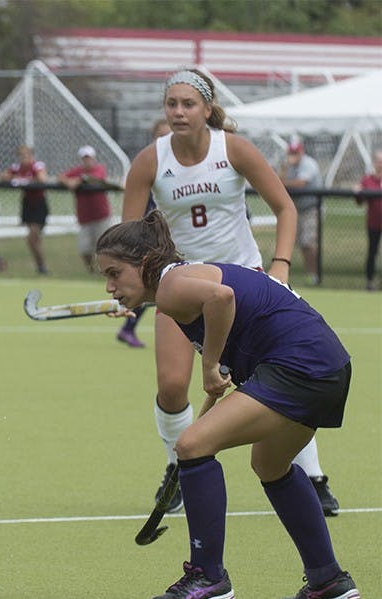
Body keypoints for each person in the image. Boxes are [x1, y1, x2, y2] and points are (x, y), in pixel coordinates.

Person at [96, 210, 360, 599]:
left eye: (115, 274)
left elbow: (222, 298)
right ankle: (327, 579)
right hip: (328, 367)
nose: (110, 287)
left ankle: (208, 575)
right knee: (270, 465)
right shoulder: (179, 281)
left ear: (145, 264)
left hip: (301, 367)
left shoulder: (171, 287)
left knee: (192, 445)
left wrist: (210, 363)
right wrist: (228, 362)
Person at [121, 68, 339, 517]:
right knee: (171, 385)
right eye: (172, 104)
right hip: (179, 287)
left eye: (188, 104)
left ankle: (313, 477)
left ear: (207, 108)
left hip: (244, 287)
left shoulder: (232, 148)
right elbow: (128, 238)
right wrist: (125, 286)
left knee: (274, 381)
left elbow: (285, 207)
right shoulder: (149, 160)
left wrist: (280, 265)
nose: (178, 112)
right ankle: (175, 469)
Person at [115, 120, 172, 349]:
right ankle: (128, 327)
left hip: (174, 237)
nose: (165, 140)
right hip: (151, 236)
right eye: (160, 136)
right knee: (150, 283)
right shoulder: (148, 163)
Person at [58, 145, 113, 272]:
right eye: (84, 158)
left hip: (101, 215)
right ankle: (91, 270)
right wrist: (69, 182)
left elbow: (96, 178)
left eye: (89, 158)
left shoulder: (99, 169)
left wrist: (79, 180)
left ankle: (106, 271)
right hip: (85, 217)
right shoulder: (77, 171)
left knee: (104, 247)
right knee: (85, 249)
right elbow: (61, 177)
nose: (87, 161)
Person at [279, 139, 323, 285]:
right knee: (299, 243)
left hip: (311, 208)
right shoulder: (289, 165)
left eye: (295, 152)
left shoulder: (308, 164)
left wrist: (282, 182)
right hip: (296, 209)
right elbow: (280, 180)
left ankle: (315, 274)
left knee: (308, 242)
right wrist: (285, 168)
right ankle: (308, 274)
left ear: (301, 152)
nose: (293, 155)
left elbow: (300, 183)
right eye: (291, 152)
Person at [2, 145, 50, 274]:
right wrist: (14, 178)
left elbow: (42, 178)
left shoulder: (37, 166)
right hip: (27, 203)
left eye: (27, 155)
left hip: (39, 203)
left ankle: (42, 266)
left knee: (32, 238)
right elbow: (4, 176)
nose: (24, 159)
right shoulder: (17, 168)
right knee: (34, 240)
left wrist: (26, 179)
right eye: (22, 156)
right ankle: (40, 266)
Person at [354, 149, 382, 291]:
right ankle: (369, 281)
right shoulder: (368, 179)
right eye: (378, 161)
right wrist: (358, 192)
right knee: (372, 252)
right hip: (374, 223)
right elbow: (359, 201)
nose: (380, 164)